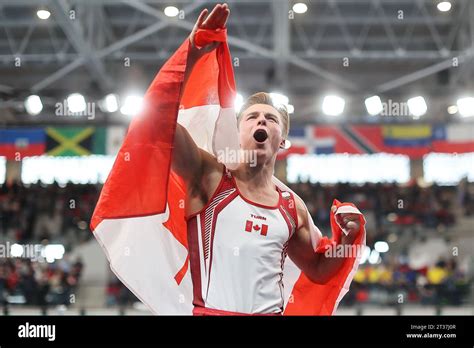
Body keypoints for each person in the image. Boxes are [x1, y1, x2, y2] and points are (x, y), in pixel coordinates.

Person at [172, 3, 363, 315]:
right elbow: (161, 129)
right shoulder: (209, 176)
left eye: (271, 120)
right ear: (236, 132)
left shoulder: (292, 206)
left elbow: (317, 270)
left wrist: (349, 238)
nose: (261, 122)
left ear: (282, 140)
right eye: (252, 117)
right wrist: (192, 52)